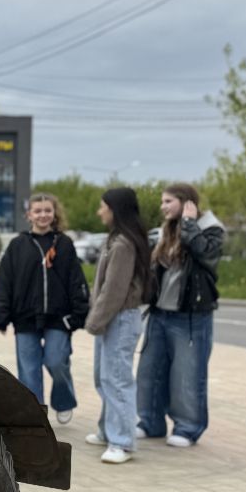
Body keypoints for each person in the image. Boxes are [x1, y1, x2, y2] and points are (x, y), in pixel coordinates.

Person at [138, 182, 223, 447]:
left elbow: (205, 253)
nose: (162, 207)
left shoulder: (210, 228)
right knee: (149, 371)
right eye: (162, 201)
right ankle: (150, 422)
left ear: (186, 203)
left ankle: (187, 428)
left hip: (191, 316)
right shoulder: (164, 231)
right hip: (160, 313)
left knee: (187, 374)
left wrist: (188, 223)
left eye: (168, 202)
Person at [0, 192, 89, 423]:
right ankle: (36, 418)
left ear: (54, 214)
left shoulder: (64, 244)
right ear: (29, 215)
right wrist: (2, 316)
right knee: (28, 371)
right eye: (38, 211)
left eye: (47, 210)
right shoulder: (18, 245)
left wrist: (79, 314)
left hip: (59, 318)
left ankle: (64, 401)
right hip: (25, 318)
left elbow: (76, 280)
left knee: (56, 361)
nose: (43, 215)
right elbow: (5, 281)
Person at [83, 187, 151, 466]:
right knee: (104, 377)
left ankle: (121, 441)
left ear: (115, 209)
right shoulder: (115, 239)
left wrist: (95, 320)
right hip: (111, 318)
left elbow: (114, 289)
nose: (100, 211)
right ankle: (107, 429)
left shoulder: (123, 243)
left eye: (103, 206)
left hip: (119, 319)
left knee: (118, 380)